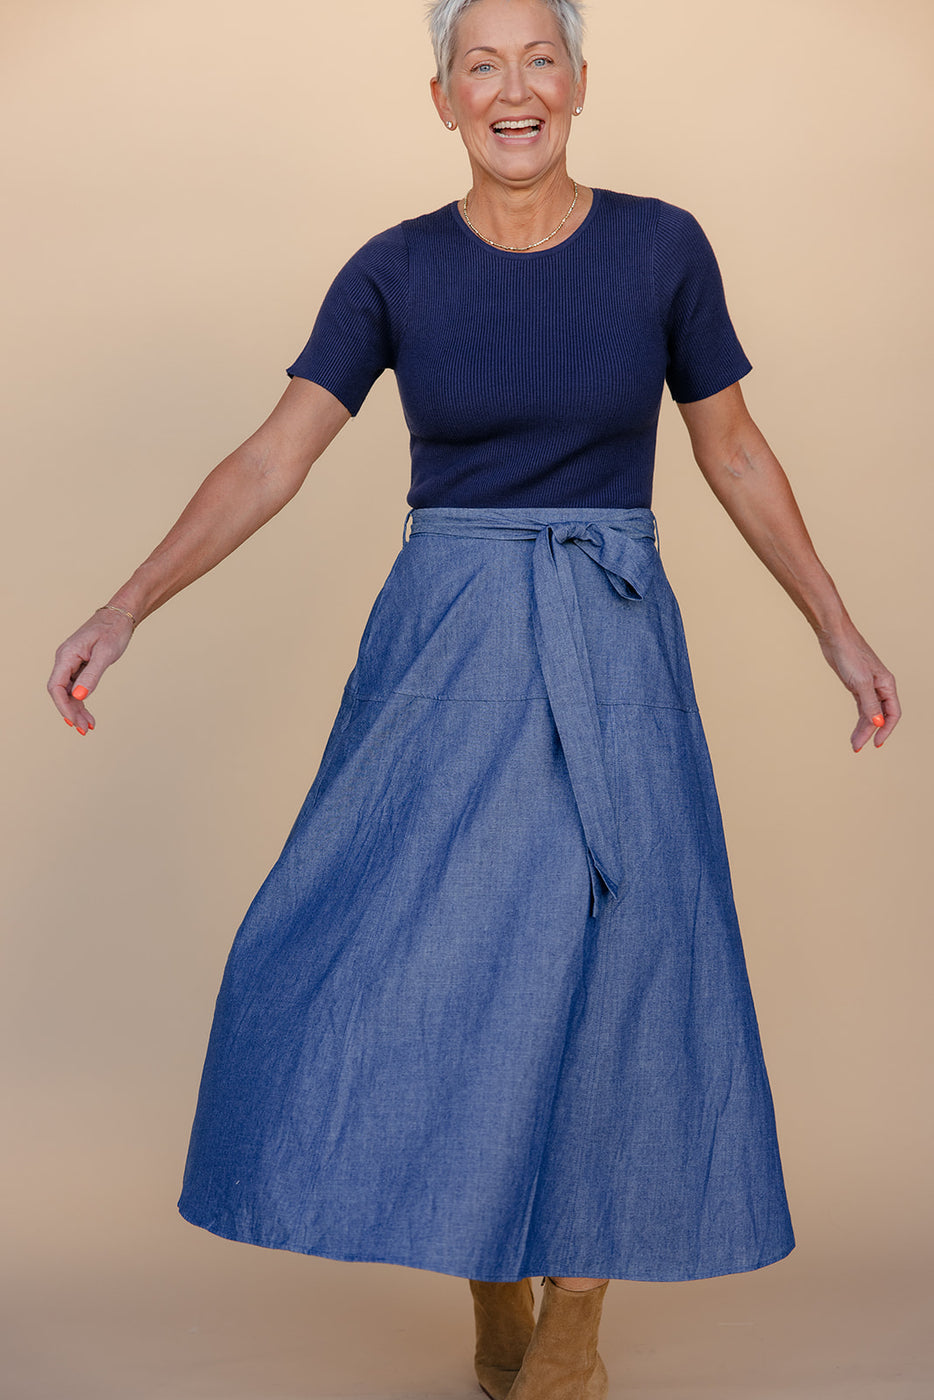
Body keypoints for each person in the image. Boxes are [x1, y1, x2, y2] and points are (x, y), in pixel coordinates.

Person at [47, 0, 901, 1395]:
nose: (513, 90)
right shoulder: (393, 270)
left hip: (613, 635)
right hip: (446, 643)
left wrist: (837, 630)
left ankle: (575, 1318)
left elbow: (732, 452)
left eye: (537, 59)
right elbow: (275, 457)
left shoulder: (660, 247)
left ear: (578, 83)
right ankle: (487, 1277)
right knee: (454, 963)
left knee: (620, 961)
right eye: (479, 67)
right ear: (440, 100)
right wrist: (123, 605)